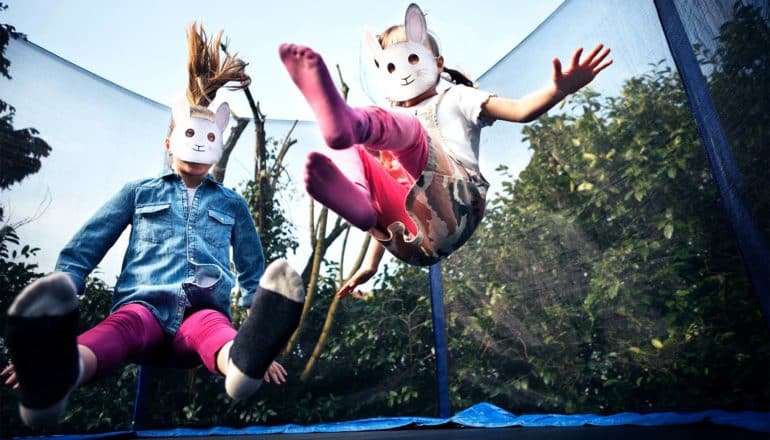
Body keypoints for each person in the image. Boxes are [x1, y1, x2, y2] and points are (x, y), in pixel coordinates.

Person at [2, 23, 304, 429]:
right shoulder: (139, 193)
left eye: (209, 138)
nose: (198, 147)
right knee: (120, 329)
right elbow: (84, 248)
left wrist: (259, 343)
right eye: (190, 136)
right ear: (169, 143)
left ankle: (240, 366)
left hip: (200, 316)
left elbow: (254, 275)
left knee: (212, 329)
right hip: (142, 307)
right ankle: (60, 372)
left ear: (219, 146)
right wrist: (66, 288)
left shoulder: (232, 204)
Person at [279, 3, 612, 298]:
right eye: (391, 67)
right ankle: (361, 206)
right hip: (408, 238)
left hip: (456, 206)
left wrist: (558, 89)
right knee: (361, 150)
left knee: (404, 132)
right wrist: (370, 264)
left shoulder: (456, 98)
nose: (403, 72)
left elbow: (522, 110)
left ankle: (349, 126)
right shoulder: (391, 124)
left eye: (412, 58)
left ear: (437, 64)